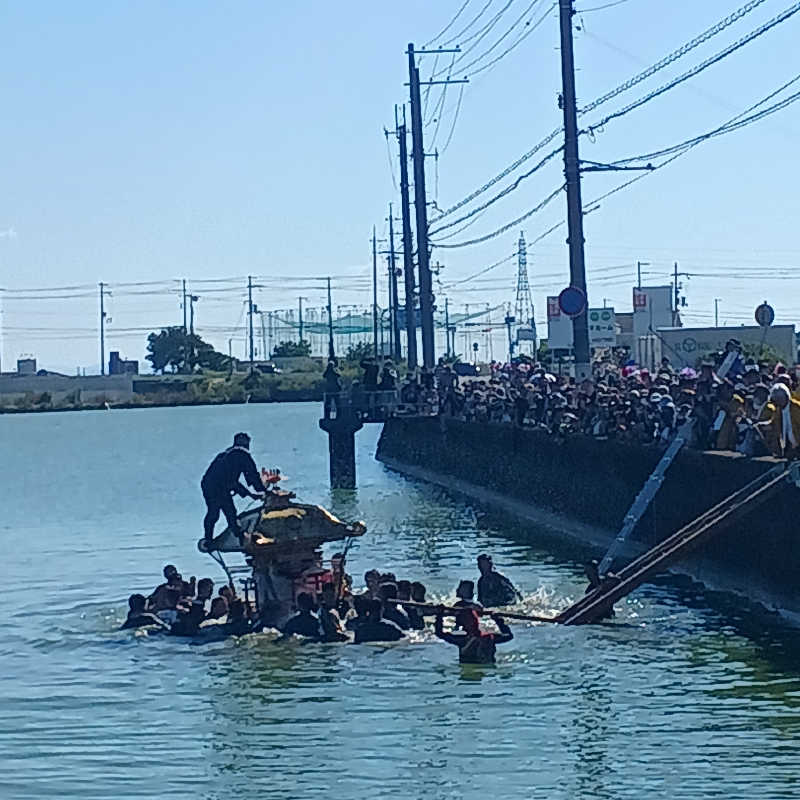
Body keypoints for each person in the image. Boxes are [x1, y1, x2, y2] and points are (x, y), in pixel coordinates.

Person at [201, 432, 266, 548]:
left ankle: (208, 539)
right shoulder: (243, 456)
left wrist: (249, 494)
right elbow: (251, 476)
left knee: (215, 512)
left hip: (209, 485)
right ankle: (241, 538)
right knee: (229, 513)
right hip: (219, 487)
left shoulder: (225, 454)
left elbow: (230, 480)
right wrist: (261, 491)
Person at [434, 606, 513, 665]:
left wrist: (499, 621)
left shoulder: (487, 637)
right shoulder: (463, 640)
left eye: (472, 619)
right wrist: (439, 616)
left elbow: (509, 636)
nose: (472, 622)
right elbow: (440, 634)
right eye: (469, 620)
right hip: (482, 667)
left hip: (483, 667)